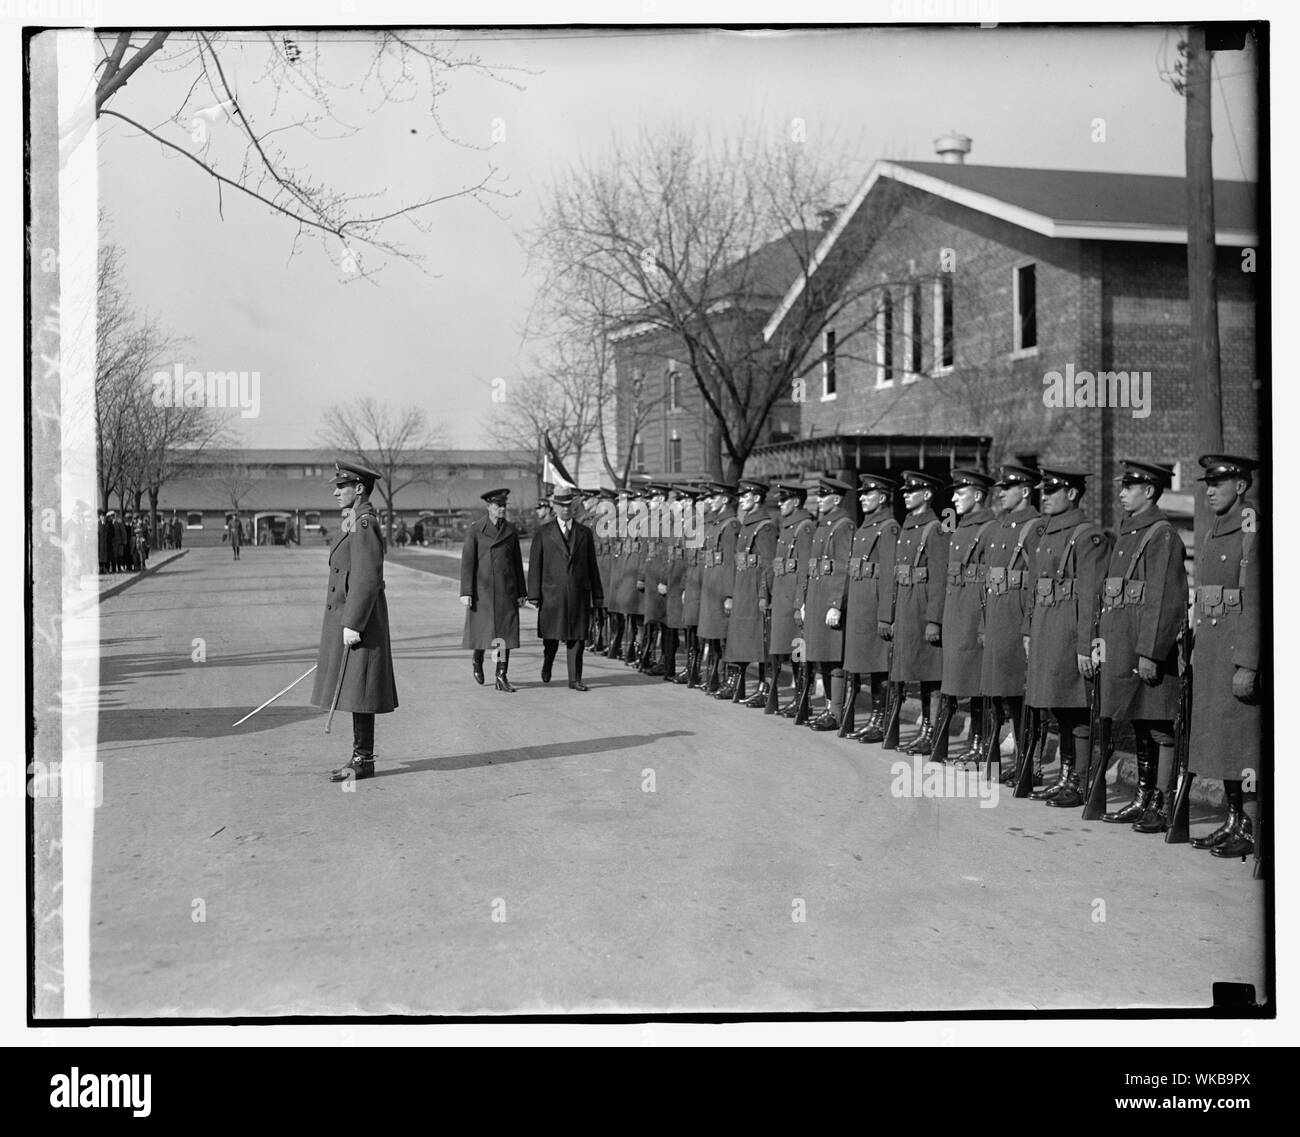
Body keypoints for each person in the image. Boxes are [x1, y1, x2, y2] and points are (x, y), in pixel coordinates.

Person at [1094, 460, 1188, 825]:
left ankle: (1162, 804)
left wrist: (1150, 652)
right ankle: (1144, 797)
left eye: (1128, 487)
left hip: (1147, 649)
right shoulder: (1131, 532)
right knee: (1138, 722)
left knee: (1159, 725)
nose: (1121, 492)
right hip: (1124, 645)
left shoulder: (1160, 534)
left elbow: (1165, 599)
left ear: (1149, 491)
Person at [1186, 454, 1262, 863]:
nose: (1210, 490)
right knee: (1223, 742)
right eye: (1207, 484)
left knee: (1242, 743)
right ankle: (1234, 819)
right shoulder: (1218, 529)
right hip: (1215, 653)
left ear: (1241, 486)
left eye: (1219, 482)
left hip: (1236, 653)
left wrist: (1248, 663)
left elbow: (1256, 604)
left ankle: (1250, 826)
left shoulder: (1252, 530)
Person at [1024, 469, 1110, 806]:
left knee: (1076, 709)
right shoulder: (1046, 531)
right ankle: (1065, 775)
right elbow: (1034, 586)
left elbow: (1091, 595)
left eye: (1053, 490)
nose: (1044, 496)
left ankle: (1079, 780)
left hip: (1069, 629)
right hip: (1047, 627)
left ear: (1072, 494)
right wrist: (1029, 630)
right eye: (1043, 490)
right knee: (1058, 707)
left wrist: (1086, 644)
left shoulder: (1088, 536)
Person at [309, 461, 398, 782]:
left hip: (360, 621)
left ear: (359, 489)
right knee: (356, 689)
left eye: (341, 486)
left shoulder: (363, 523)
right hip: (351, 618)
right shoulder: (353, 521)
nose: (335, 491)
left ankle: (363, 759)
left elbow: (367, 577)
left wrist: (354, 623)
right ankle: (362, 756)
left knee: (361, 689)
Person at [980, 465, 1049, 785]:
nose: (1001, 493)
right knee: (1005, 694)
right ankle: (1019, 757)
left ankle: (1030, 762)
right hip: (997, 617)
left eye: (1008, 488)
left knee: (1023, 694)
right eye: (1000, 488)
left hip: (1018, 618)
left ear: (1025, 491)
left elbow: (1038, 581)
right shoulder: (1000, 527)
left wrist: (1028, 626)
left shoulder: (1034, 527)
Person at [932, 470, 998, 763]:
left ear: (979, 495)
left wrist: (984, 622)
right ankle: (974, 741)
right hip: (956, 612)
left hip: (974, 612)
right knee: (960, 679)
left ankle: (981, 742)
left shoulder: (990, 528)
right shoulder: (959, 528)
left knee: (976, 680)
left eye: (961, 492)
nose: (954, 498)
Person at [883, 471, 949, 752]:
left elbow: (939, 577)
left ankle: (932, 732)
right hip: (907, 608)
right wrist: (892, 615)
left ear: (927, 494)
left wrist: (934, 620)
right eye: (905, 492)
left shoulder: (935, 528)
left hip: (923, 607)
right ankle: (925, 730)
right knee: (915, 672)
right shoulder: (908, 526)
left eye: (913, 491)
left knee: (931, 673)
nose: (906, 496)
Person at [841, 474, 900, 741]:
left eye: (869, 494)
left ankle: (881, 720)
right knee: (860, 663)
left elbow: (889, 574)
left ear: (883, 497)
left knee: (878, 665)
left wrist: (886, 616)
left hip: (874, 605)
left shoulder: (888, 528)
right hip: (858, 605)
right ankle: (867, 719)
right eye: (862, 494)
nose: (863, 497)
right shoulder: (866, 527)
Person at [528, 487, 603, 691]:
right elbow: (535, 565)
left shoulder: (584, 533)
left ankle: (575, 679)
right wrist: (533, 595)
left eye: (569, 505)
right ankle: (548, 661)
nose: (565, 510)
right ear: (554, 507)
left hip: (579, 594)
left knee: (577, 638)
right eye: (561, 506)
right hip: (552, 595)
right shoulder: (543, 533)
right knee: (551, 638)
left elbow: (591, 565)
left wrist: (597, 594)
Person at [800, 476, 856, 730]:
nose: (819, 500)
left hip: (829, 598)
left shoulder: (842, 525)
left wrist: (836, 603)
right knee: (822, 655)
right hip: (816, 596)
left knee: (834, 658)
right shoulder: (823, 525)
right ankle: (828, 708)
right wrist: (804, 600)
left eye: (824, 496)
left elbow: (843, 566)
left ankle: (836, 712)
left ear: (836, 498)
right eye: (818, 496)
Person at [459, 487, 527, 691]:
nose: (502, 509)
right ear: (489, 507)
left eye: (504, 506)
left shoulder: (511, 530)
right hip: (483, 592)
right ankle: (477, 659)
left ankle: (501, 675)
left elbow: (516, 563)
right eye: (498, 506)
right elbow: (468, 563)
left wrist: (522, 592)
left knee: (505, 635)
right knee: (483, 632)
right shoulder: (475, 530)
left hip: (506, 591)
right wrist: (466, 591)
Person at [720, 478, 777, 704]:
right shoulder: (747, 525)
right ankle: (736, 684)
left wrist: (764, 594)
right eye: (741, 496)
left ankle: (765, 688)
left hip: (754, 589)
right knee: (740, 638)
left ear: (757, 498)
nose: (742, 500)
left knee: (760, 640)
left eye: (746, 496)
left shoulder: (765, 526)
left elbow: (769, 564)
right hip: (742, 586)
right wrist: (731, 593)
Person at [767, 482, 817, 716]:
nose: (780, 504)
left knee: (800, 651)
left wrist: (800, 603)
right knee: (786, 650)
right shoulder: (788, 526)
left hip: (794, 600)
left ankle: (802, 700)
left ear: (796, 502)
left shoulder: (804, 527)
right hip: (782, 598)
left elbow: (805, 568)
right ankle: (798, 699)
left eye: (784, 500)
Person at [696, 482, 740, 695]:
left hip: (722, 588)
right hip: (711, 586)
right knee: (712, 635)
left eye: (714, 497)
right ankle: (713, 678)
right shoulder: (716, 524)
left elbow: (731, 561)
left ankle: (728, 681)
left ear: (724, 500)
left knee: (725, 637)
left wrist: (730, 594)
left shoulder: (730, 525)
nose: (710, 501)